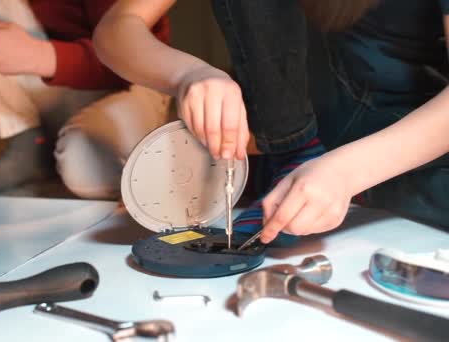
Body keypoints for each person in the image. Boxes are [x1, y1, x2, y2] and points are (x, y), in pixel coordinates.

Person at [93, 0, 449, 244]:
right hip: (302, 135)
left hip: (414, 144)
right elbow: (116, 29)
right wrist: (189, 74)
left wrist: (346, 173)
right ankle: (295, 156)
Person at [0, 0, 171, 199]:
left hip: (132, 82)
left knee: (88, 171)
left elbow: (133, 58)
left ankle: (59, 148)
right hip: (55, 84)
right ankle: (28, 143)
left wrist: (40, 56)